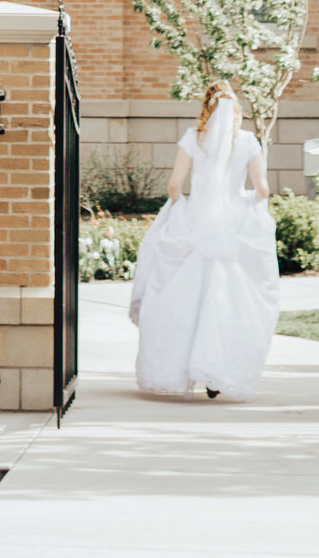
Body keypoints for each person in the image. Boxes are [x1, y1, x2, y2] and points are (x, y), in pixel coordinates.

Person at [129, 80, 280, 400]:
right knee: (227, 303)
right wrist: (245, 204)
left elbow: (174, 186)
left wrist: (181, 210)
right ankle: (216, 371)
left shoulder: (193, 138)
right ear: (235, 109)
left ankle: (185, 370)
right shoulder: (249, 142)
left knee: (184, 301)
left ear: (207, 106)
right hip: (234, 228)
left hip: (195, 224)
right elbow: (263, 189)